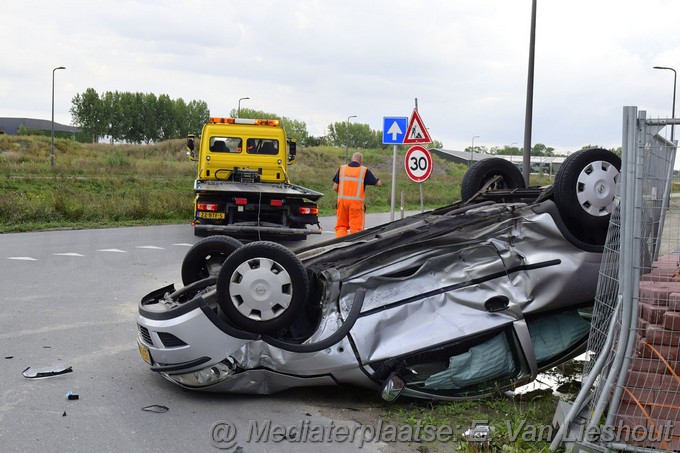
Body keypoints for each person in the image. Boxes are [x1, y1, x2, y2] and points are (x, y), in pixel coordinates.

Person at [333, 152, 382, 237]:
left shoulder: (342, 169)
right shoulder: (363, 170)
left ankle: (339, 244)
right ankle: (354, 246)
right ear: (360, 161)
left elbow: (334, 187)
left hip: (342, 203)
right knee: (356, 228)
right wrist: (375, 179)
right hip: (356, 204)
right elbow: (378, 184)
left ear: (352, 159)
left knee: (341, 226)